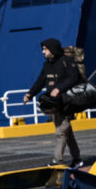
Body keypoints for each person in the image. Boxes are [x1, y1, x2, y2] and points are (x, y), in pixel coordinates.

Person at [24, 38, 84, 169]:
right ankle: (77, 159)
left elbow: (74, 78)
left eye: (45, 49)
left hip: (67, 102)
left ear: (52, 49)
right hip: (54, 104)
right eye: (43, 49)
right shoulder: (47, 65)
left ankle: (58, 160)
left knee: (61, 131)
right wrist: (30, 94)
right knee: (67, 133)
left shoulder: (67, 62)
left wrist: (59, 88)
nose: (43, 52)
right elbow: (40, 81)